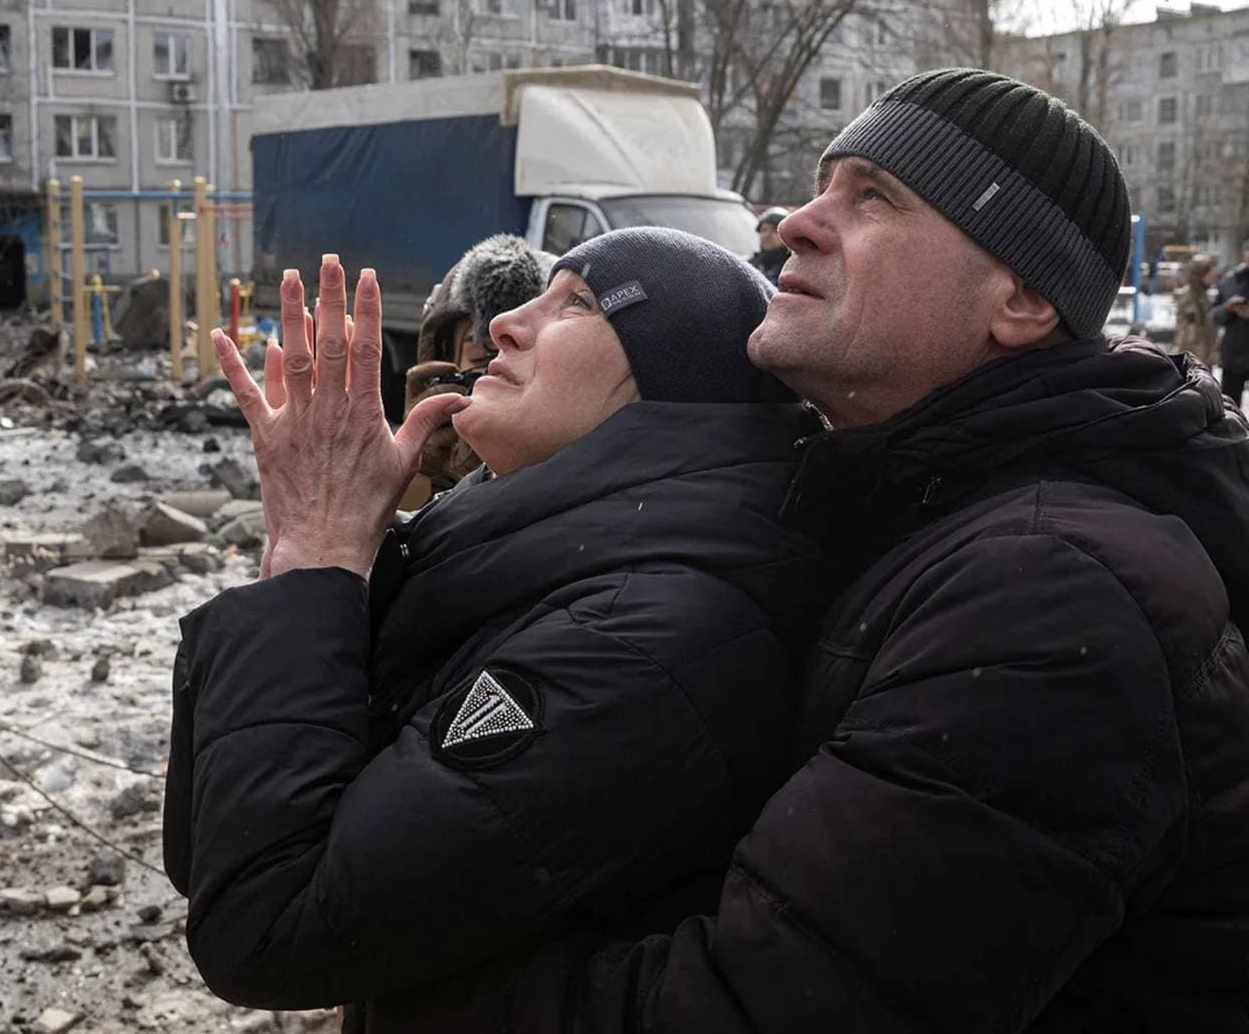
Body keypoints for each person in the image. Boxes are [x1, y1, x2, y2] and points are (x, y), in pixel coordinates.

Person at [481, 68, 1249, 1030]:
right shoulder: (902, 510)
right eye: (822, 187)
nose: (798, 224)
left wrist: (413, 985)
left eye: (875, 198)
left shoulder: (1052, 594)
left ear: (1019, 298)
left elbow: (763, 1007)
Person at [163, 229, 823, 1029]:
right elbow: (216, 847)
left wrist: (318, 556)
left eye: (577, 303)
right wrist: (327, 562)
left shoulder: (645, 642)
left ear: (675, 388)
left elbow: (269, 920)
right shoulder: (516, 561)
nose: (504, 324)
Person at [400, 234, 553, 507]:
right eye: (482, 355)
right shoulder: (420, 463)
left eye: (523, 352)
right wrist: (420, 467)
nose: (496, 372)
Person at [1214, 237, 1249, 403]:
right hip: (1233, 355)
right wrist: (1229, 308)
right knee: (1229, 406)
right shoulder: (1230, 280)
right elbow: (1215, 316)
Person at [1173, 252, 1219, 365]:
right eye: (1208, 271)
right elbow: (1187, 334)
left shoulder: (1202, 295)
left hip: (1203, 358)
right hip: (1195, 359)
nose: (1213, 274)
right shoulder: (1189, 296)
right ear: (1199, 274)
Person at [747, 207, 791, 285]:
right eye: (764, 230)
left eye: (775, 230)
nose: (767, 235)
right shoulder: (750, 266)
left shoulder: (792, 269)